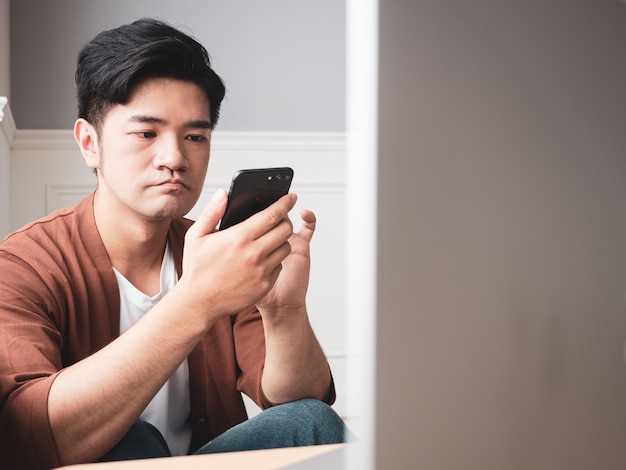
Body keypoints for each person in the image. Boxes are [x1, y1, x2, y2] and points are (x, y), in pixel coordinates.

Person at [0, 18, 346, 469]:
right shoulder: (23, 264)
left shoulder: (220, 252)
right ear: (90, 143)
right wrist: (197, 300)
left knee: (310, 419)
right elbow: (26, 437)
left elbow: (301, 400)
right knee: (126, 442)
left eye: (195, 137)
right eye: (147, 133)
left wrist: (284, 313)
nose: (175, 158)